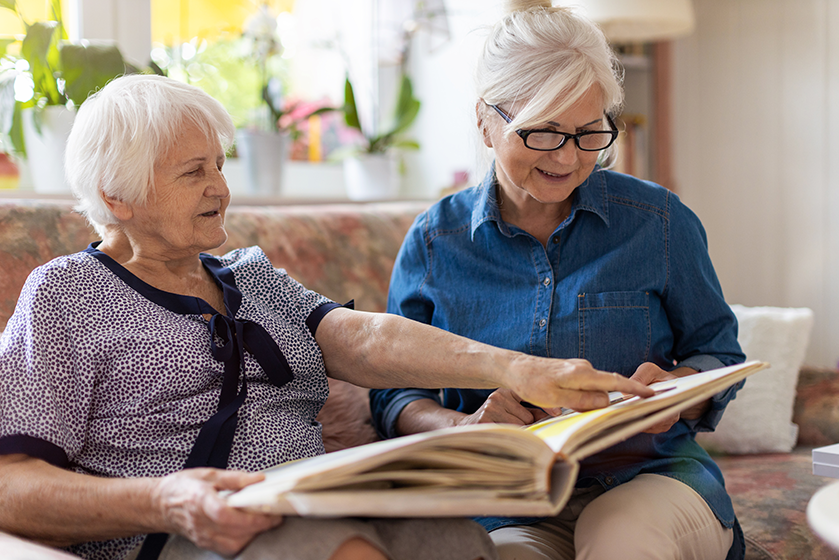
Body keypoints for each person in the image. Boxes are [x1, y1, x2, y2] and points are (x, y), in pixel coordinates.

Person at [0, 74, 653, 560]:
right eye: (193, 172)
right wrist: (167, 499)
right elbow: (11, 484)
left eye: (220, 166)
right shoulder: (67, 294)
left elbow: (360, 337)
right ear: (119, 196)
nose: (219, 188)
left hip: (311, 505)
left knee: (455, 543)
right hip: (180, 534)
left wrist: (521, 369)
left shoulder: (248, 275)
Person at [370, 2, 747, 560]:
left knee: (622, 540)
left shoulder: (658, 223)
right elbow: (393, 391)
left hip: (651, 476)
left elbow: (720, 353)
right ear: (485, 121)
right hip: (503, 497)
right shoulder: (435, 241)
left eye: (589, 132)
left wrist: (675, 390)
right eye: (544, 132)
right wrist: (463, 424)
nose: (569, 158)